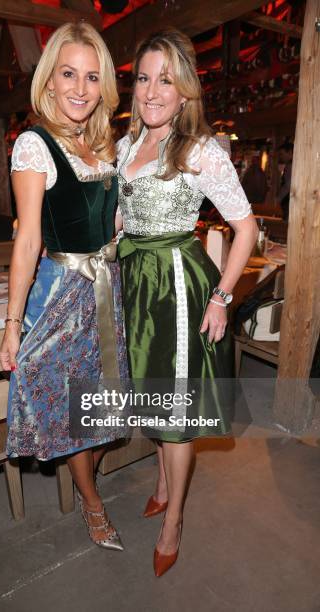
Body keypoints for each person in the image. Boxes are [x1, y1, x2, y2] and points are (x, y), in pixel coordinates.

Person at [116, 28, 258, 576]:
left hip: (177, 283)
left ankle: (174, 519)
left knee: (176, 408)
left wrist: (222, 297)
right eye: (145, 78)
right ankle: (159, 480)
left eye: (165, 80)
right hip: (137, 282)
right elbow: (123, 219)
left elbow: (244, 231)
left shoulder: (201, 151)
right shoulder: (128, 146)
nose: (152, 91)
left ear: (185, 92)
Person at [0, 22, 127, 551]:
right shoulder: (35, 144)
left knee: (107, 406)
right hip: (62, 297)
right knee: (77, 411)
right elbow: (27, 239)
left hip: (105, 290)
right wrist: (10, 325)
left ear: (104, 87)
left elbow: (110, 223)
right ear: (48, 81)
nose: (79, 87)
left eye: (91, 77)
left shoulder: (101, 146)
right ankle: (92, 505)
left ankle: (84, 475)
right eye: (68, 74)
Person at [277, 142, 293, 220]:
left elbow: (288, 185)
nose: (280, 157)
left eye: (282, 154)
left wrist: (278, 199)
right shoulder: (293, 164)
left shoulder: (290, 166)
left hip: (289, 201)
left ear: (290, 152)